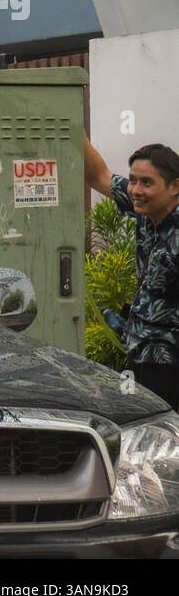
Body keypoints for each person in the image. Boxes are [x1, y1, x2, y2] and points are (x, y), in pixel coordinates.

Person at [85, 135, 179, 409]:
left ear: (175, 187)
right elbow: (97, 174)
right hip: (141, 357)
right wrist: (67, 113)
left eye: (146, 182)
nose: (135, 190)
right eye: (133, 180)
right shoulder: (147, 210)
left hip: (170, 365)